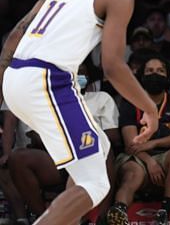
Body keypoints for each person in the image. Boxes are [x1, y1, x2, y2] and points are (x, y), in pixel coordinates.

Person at [0, 0, 158, 225]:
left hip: (17, 76)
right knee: (96, 181)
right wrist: (149, 108)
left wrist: (3, 86)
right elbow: (112, 66)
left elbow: (17, 32)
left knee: (98, 150)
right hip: (47, 81)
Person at [9, 62, 120, 223]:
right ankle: (45, 218)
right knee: (17, 158)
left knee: (104, 147)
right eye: (75, 72)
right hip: (56, 159)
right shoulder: (44, 100)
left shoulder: (101, 98)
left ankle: (101, 219)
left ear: (88, 77)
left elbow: (113, 135)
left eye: (82, 72)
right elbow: (34, 135)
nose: (78, 75)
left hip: (90, 156)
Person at [107, 54, 170, 225]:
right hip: (137, 158)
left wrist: (154, 143)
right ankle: (119, 213)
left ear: (168, 77)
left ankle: (163, 214)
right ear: (141, 77)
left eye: (160, 71)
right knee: (133, 173)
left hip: (167, 158)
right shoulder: (130, 104)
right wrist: (149, 162)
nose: (155, 74)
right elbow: (131, 143)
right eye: (149, 71)